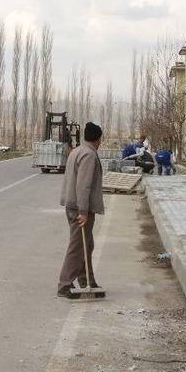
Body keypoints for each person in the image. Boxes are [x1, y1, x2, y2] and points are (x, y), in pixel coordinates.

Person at [58, 122, 105, 298]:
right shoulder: (89, 155)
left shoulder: (77, 151)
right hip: (79, 207)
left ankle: (87, 281)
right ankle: (64, 284)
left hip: (72, 205)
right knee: (77, 246)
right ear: (98, 139)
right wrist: (83, 211)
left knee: (87, 244)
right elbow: (83, 185)